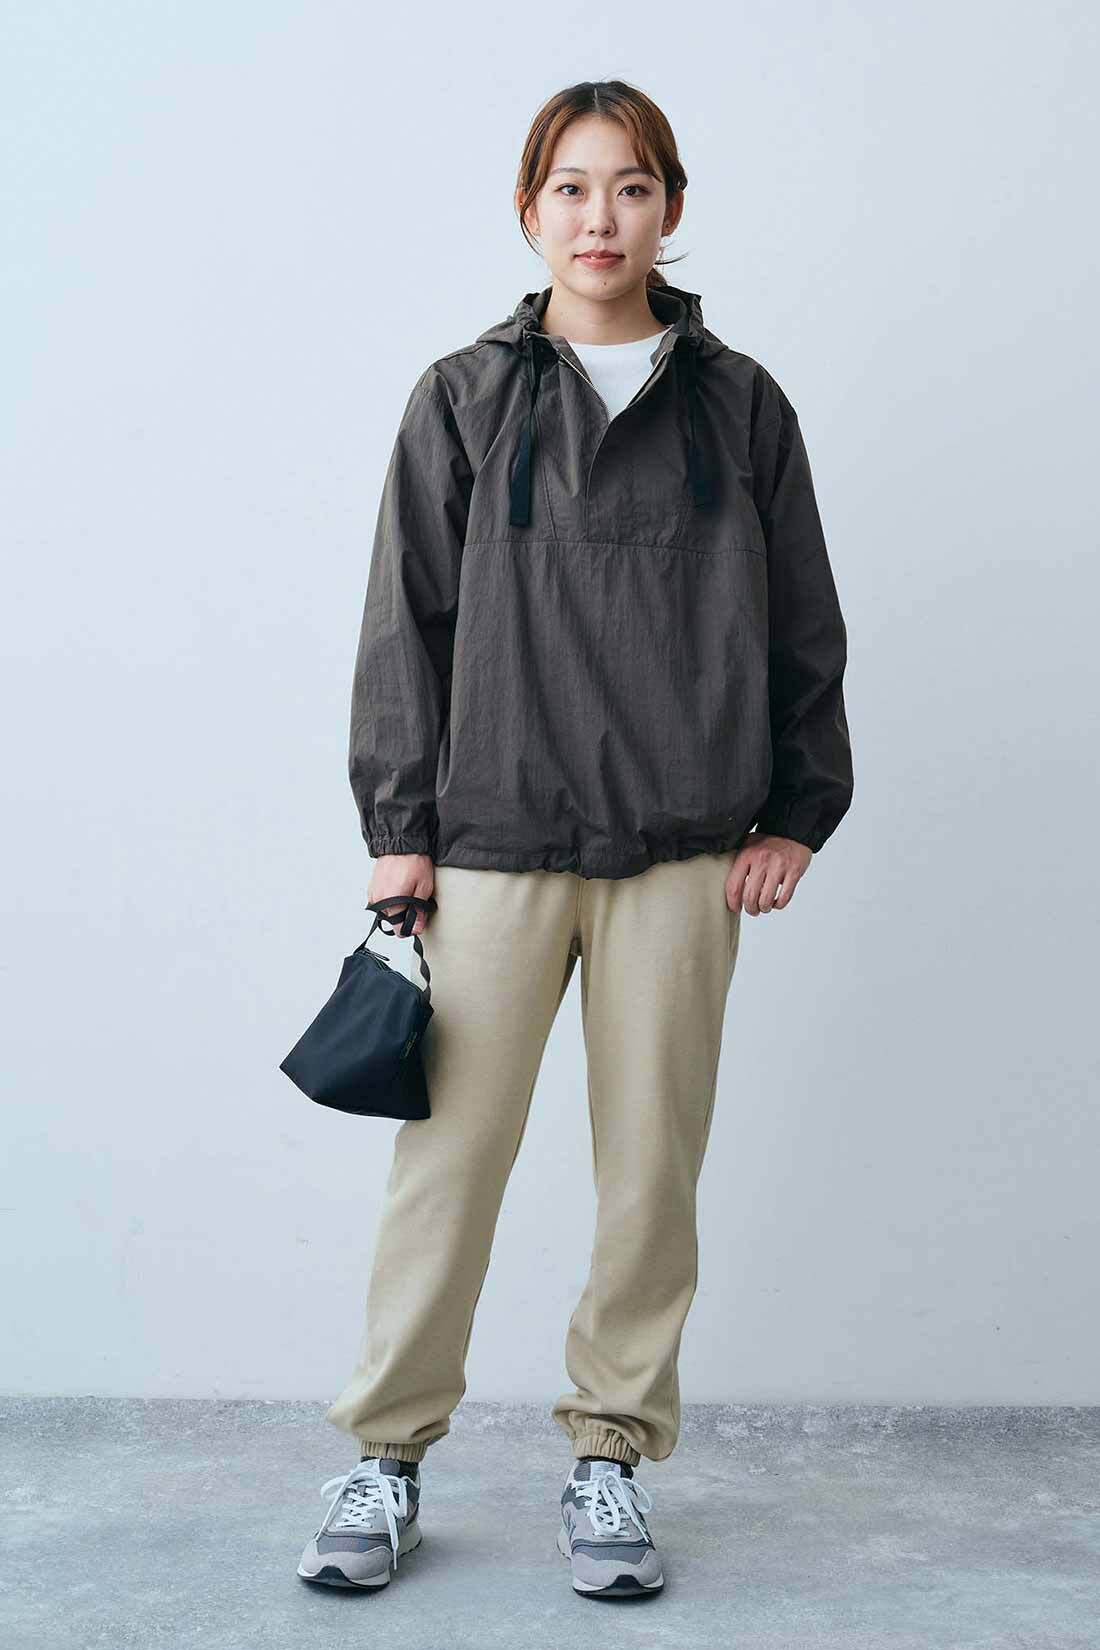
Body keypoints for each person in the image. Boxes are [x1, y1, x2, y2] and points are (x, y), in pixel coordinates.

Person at [297, 77, 853, 1598]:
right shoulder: (464, 396)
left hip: (685, 845)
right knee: (447, 1168)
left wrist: (799, 811)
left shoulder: (742, 406)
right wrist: (398, 828)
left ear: (670, 208)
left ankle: (611, 1455)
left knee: (650, 1176)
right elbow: (406, 618)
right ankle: (387, 1453)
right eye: (571, 188)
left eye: (630, 187)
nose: (600, 217)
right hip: (492, 837)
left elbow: (804, 623)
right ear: (528, 209)